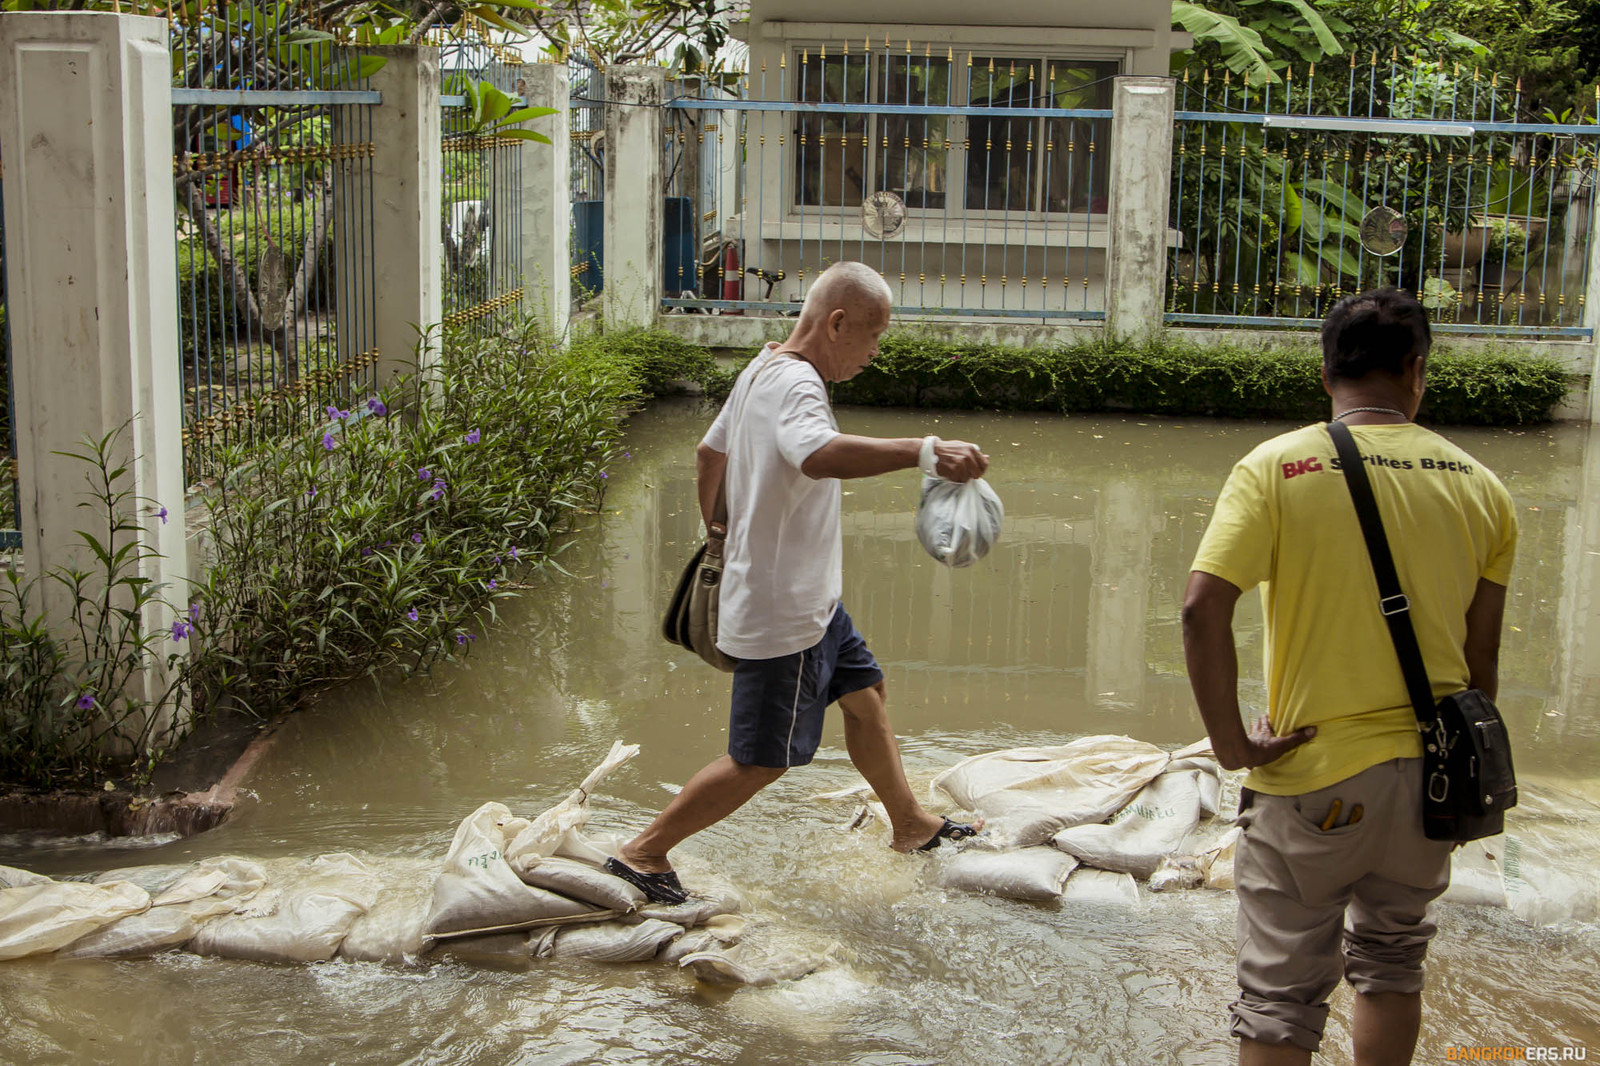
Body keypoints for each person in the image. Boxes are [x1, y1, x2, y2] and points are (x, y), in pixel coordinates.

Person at [1181, 288, 1517, 1066]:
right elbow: (1483, 664)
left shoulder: (1278, 467)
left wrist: (1233, 743)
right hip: (1430, 785)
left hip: (1312, 778)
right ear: (1416, 371)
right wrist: (1449, 763)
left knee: (1279, 1002)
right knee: (1395, 964)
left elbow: (1203, 610)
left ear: (1327, 371)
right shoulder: (1483, 489)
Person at [606, 262, 989, 904]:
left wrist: (722, 538)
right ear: (836, 322)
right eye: (872, 336)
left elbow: (709, 454)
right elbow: (816, 453)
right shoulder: (799, 385)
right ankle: (643, 853)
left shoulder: (763, 368)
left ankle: (911, 824)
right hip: (783, 611)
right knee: (762, 757)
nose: (874, 352)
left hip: (813, 601)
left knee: (866, 692)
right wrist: (923, 451)